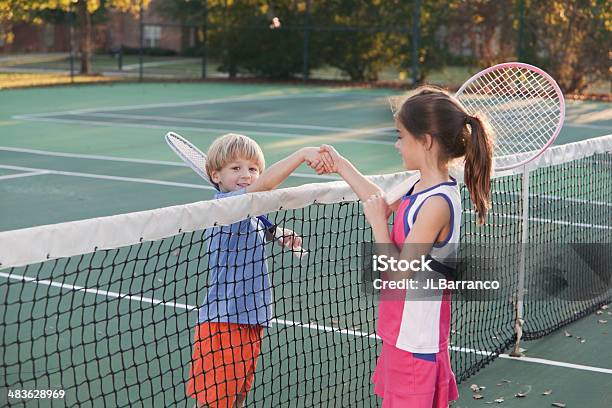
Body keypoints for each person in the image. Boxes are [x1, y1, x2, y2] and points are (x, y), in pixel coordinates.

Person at [316, 86, 493, 407]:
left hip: (416, 342)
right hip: (401, 334)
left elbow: (399, 278)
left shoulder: (437, 203)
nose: (397, 144)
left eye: (401, 136)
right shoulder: (418, 182)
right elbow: (379, 202)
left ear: (425, 141)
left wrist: (378, 227)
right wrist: (341, 165)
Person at [186, 133, 329, 408]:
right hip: (224, 324)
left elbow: (254, 225)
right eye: (236, 168)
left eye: (253, 169)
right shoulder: (225, 208)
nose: (246, 175)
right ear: (215, 175)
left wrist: (277, 233)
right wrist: (301, 154)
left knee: (238, 398)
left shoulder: (249, 213)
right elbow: (265, 186)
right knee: (215, 403)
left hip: (251, 321)